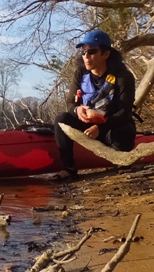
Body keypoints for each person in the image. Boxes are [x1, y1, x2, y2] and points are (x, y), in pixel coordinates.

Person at [54, 30, 137, 179]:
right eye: (84, 51)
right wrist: (76, 110)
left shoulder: (123, 77)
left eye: (92, 51)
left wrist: (100, 128)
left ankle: (123, 163)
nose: (86, 56)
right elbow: (69, 103)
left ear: (106, 54)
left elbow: (124, 113)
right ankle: (69, 168)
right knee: (61, 119)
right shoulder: (80, 72)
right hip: (87, 125)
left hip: (112, 126)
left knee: (125, 129)